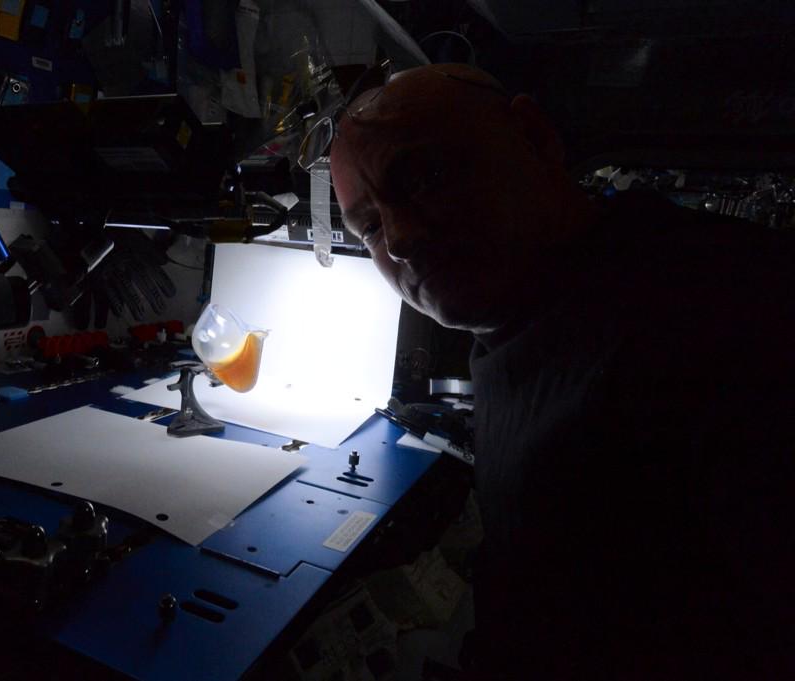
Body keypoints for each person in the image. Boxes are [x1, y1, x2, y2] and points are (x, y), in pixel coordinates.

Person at [329, 63, 795, 679]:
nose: (403, 238)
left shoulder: (728, 308)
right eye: (370, 228)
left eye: (426, 177)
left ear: (536, 139)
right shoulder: (511, 317)